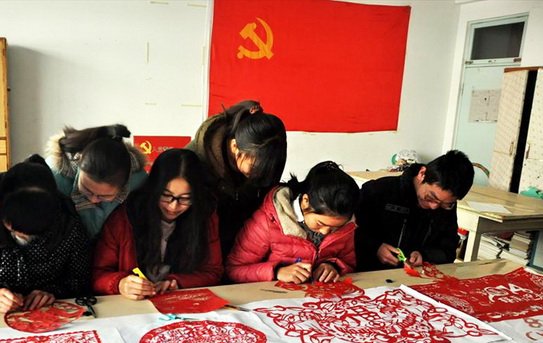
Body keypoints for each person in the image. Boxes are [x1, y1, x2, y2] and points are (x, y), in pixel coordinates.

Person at [0, 155, 92, 312]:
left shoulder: (67, 222)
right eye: (14, 228)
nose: (24, 237)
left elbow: (79, 281)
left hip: (46, 314)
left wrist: (52, 293)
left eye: (35, 233)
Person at [93, 148, 223, 300]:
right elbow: (98, 274)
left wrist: (177, 282)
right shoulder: (125, 217)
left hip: (178, 303)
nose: (173, 206)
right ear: (154, 189)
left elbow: (213, 271)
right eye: (166, 196)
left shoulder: (204, 216)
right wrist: (120, 284)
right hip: (132, 307)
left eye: (185, 198)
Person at [226, 161, 359, 284]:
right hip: (275, 300)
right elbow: (233, 270)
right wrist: (277, 272)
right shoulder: (269, 220)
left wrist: (334, 266)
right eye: (320, 223)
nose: (325, 231)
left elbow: (349, 263)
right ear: (305, 201)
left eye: (336, 227)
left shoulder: (346, 226)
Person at [186, 100, 287, 259]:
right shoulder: (195, 162)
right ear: (234, 147)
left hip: (242, 251)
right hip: (202, 251)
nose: (258, 175)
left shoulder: (271, 152)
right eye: (255, 168)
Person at [355, 150, 474, 272]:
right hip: (370, 274)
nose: (434, 207)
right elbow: (350, 232)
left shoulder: (445, 205)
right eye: (430, 197)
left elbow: (448, 249)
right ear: (422, 174)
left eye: (445, 204)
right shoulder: (379, 191)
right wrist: (375, 247)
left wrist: (424, 255)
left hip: (415, 278)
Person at [44, 124, 147, 241]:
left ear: (124, 185)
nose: (93, 199)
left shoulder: (138, 182)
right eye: (86, 189)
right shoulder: (54, 175)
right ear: (80, 161)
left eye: (105, 196)